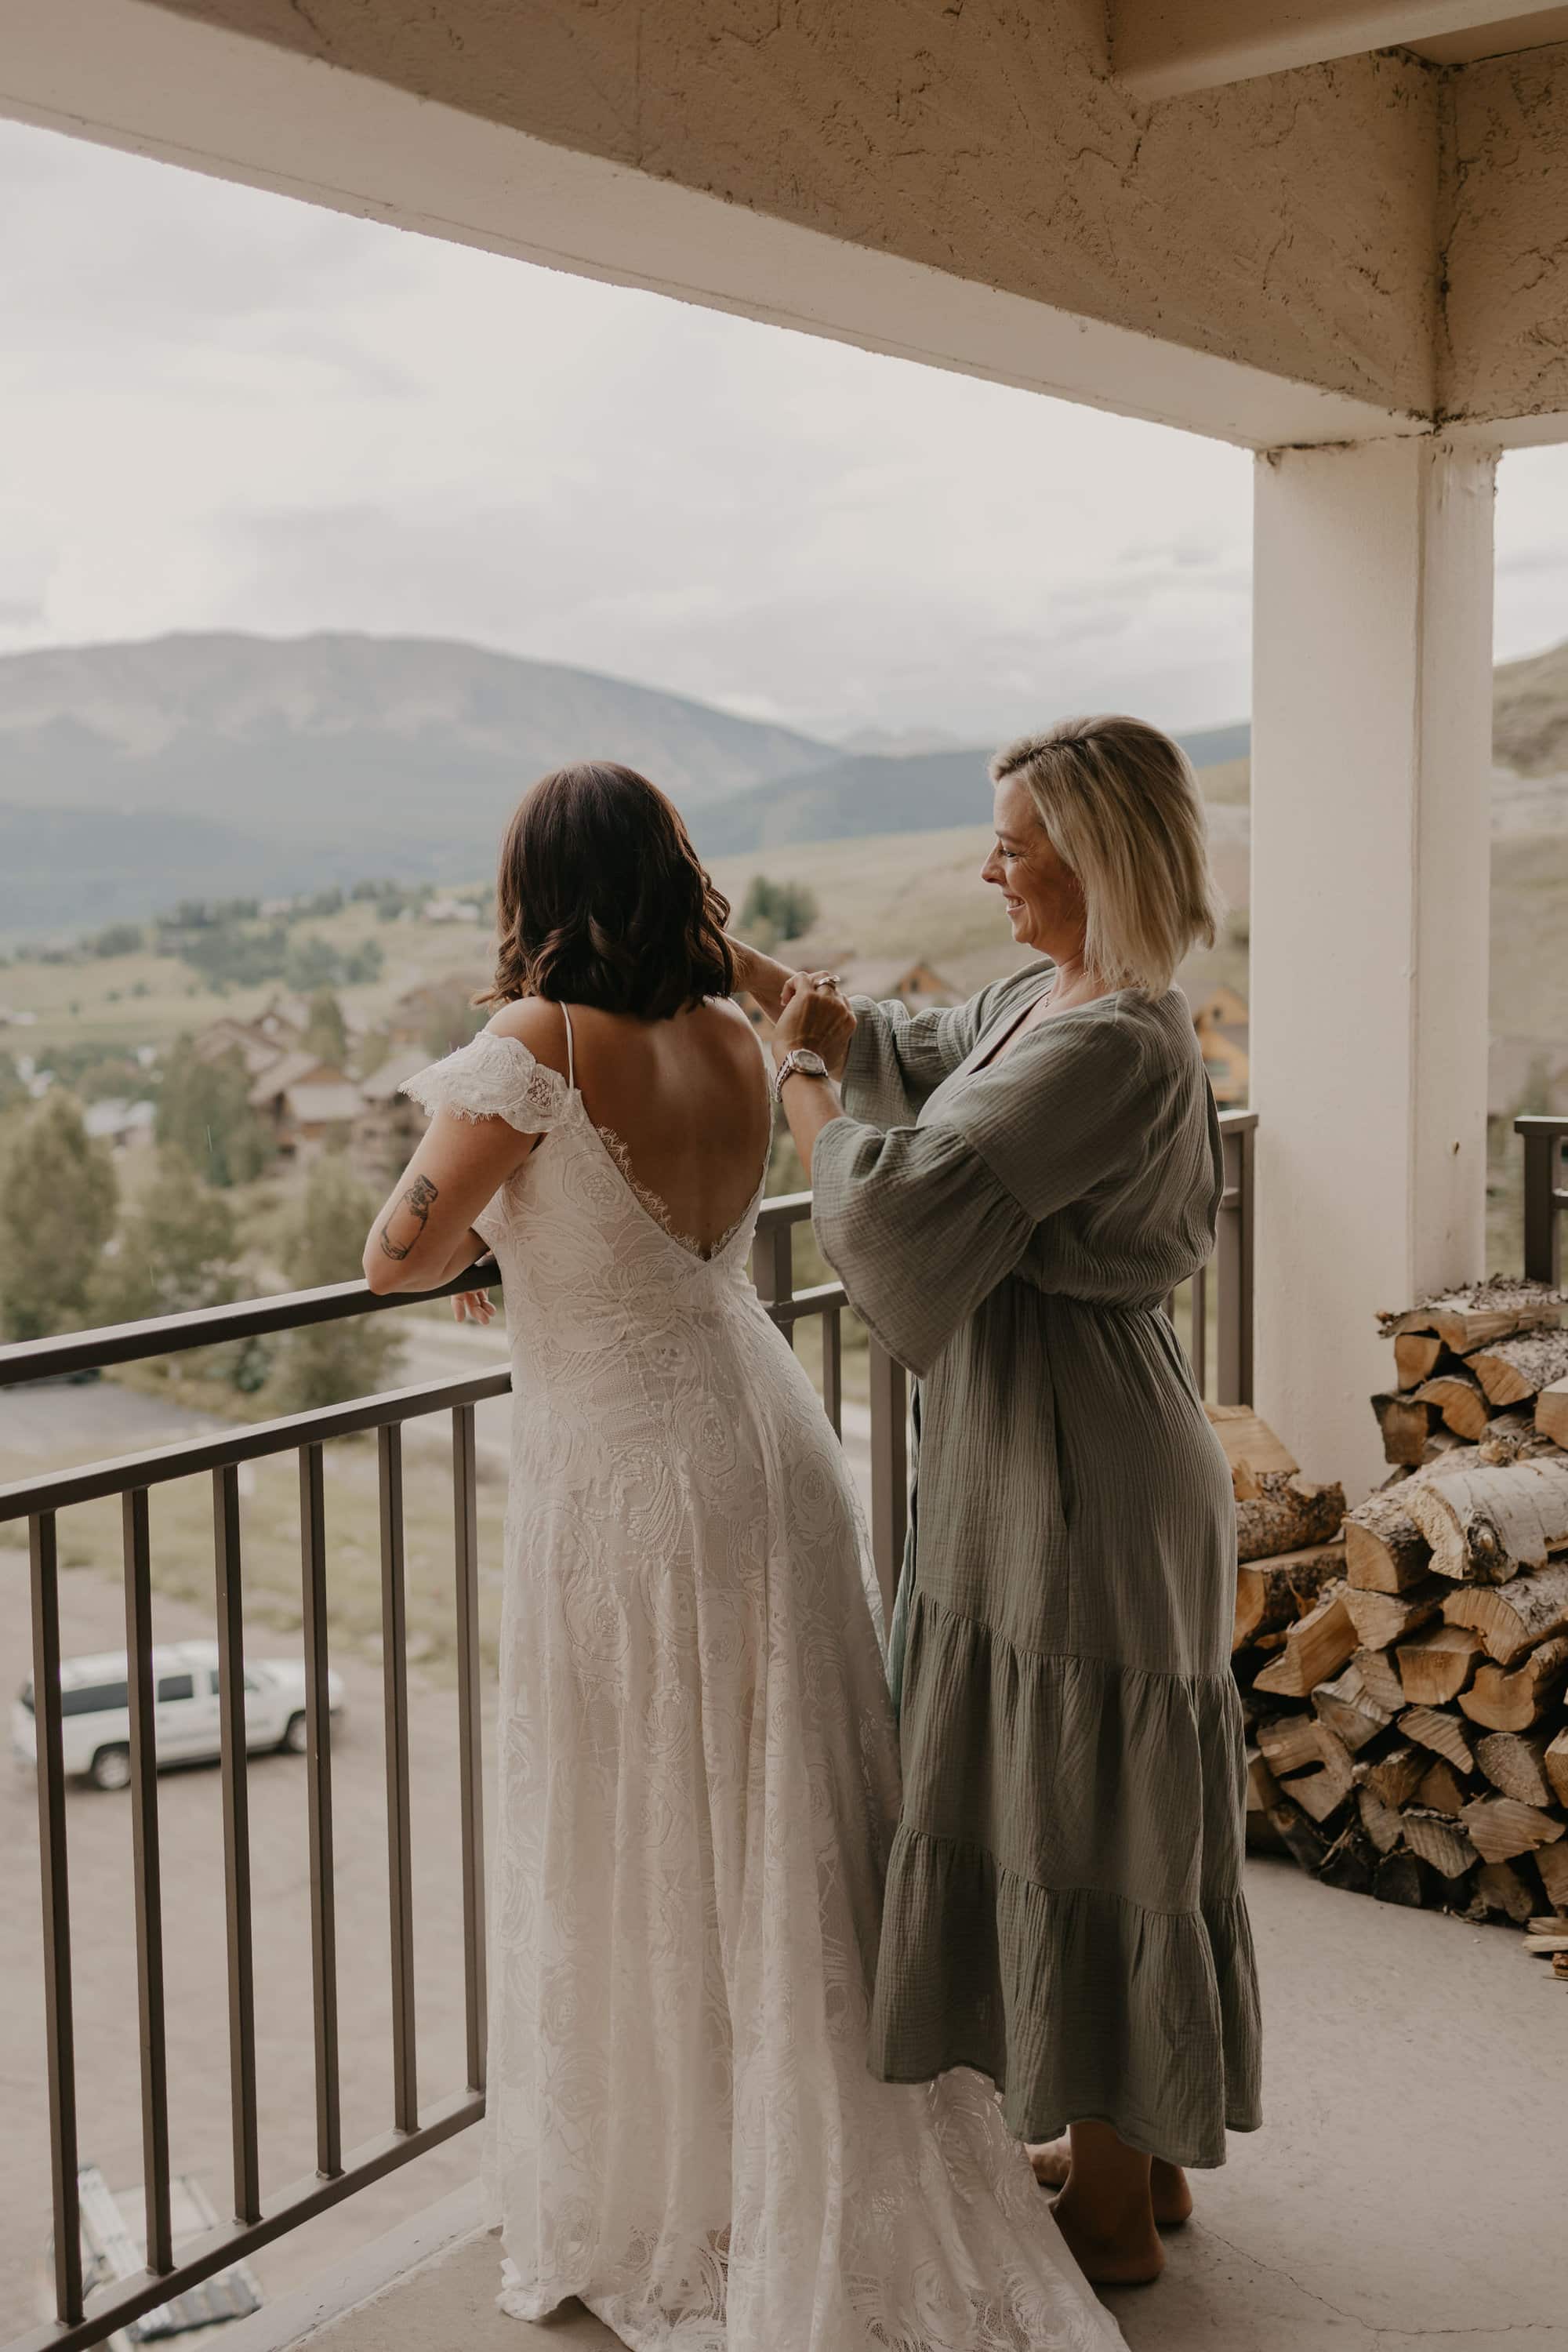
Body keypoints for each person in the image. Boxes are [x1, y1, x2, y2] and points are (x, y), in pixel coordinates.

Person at [362, 760, 1123, 2352]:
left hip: (630, 1482)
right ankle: (791, 2156)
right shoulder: (726, 1033)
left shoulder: (532, 1045)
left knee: (649, 1818)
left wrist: (488, 1244)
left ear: (534, 894)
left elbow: (395, 1252)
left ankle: (685, 2178)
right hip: (762, 1437)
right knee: (780, 1819)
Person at [735, 716, 1261, 2290]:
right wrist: (761, 977)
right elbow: (917, 1040)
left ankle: (1107, 2215)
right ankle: (1139, 2150)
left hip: (1078, 1465)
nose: (988, 870)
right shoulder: (1054, 1000)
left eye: (1012, 847)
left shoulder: (1108, 1042)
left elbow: (892, 1211)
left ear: (1089, 856)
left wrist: (804, 1081)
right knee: (1105, 1808)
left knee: (1087, 1806)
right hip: (1058, 1442)